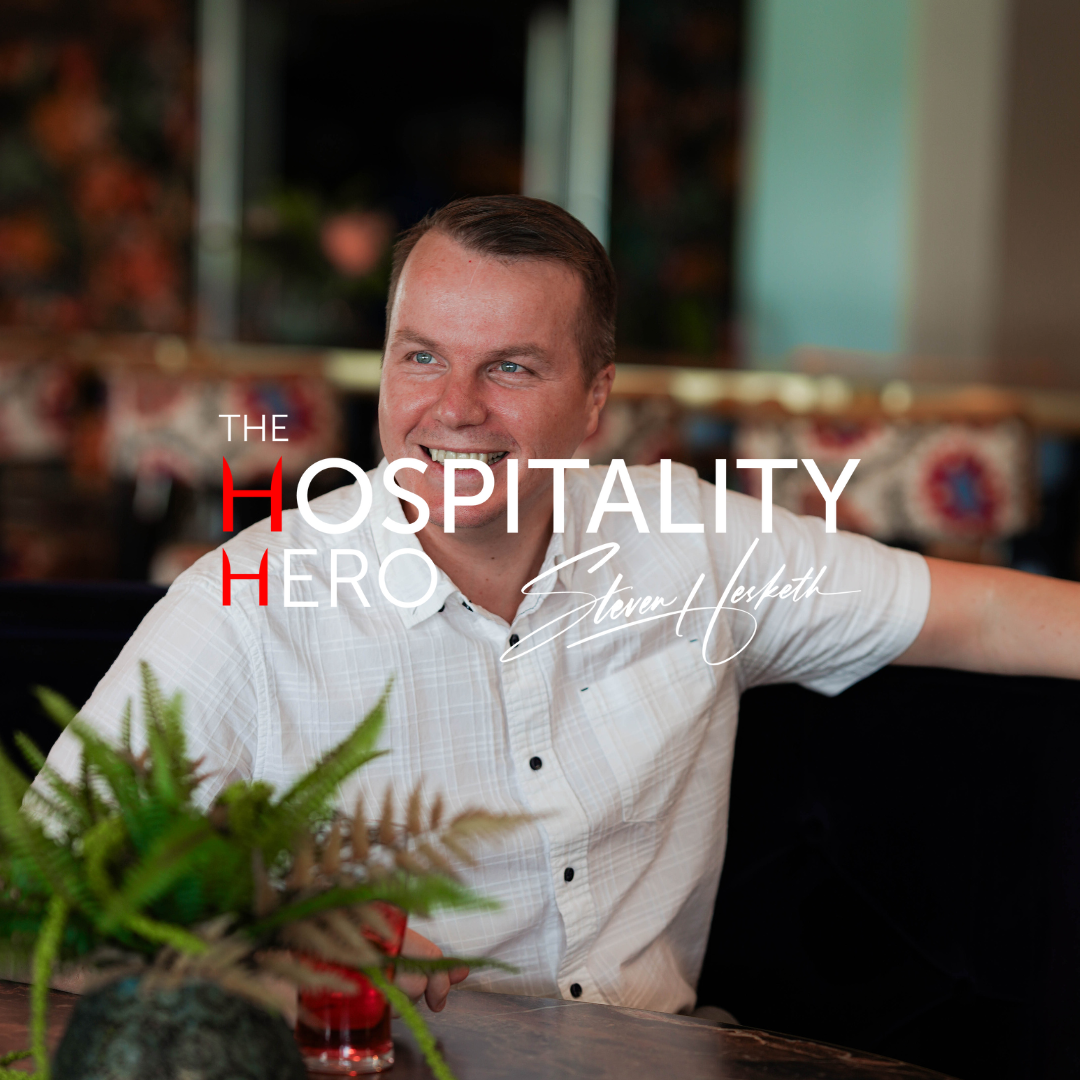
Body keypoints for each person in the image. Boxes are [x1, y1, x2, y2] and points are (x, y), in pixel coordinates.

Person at [41, 196, 1080, 1017]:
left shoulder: (693, 540)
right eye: (422, 356)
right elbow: (35, 905)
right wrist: (268, 946)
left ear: (594, 400)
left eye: (511, 367)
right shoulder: (249, 604)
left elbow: (985, 615)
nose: (454, 407)